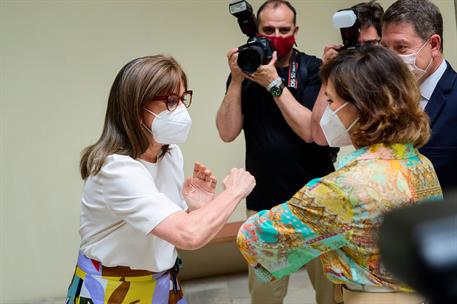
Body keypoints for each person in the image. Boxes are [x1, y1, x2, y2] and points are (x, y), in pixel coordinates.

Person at [237, 45, 443, 304]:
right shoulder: (419, 162)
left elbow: (257, 240)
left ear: (359, 106)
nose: (325, 113)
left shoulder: (344, 187)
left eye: (331, 101)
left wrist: (231, 194)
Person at [66, 55, 256, 304]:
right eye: (170, 101)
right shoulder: (116, 169)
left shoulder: (170, 153)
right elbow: (189, 235)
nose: (181, 111)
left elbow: (169, 228)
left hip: (162, 282)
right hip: (111, 287)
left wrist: (196, 209)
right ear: (136, 109)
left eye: (181, 99)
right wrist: (235, 191)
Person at [216, 1, 336, 303]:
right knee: (265, 296)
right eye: (269, 30)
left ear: (295, 32)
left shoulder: (311, 69)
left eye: (284, 30)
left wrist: (274, 84)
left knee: (331, 293)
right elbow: (227, 132)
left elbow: (311, 130)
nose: (277, 35)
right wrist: (237, 80)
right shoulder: (245, 71)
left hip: (316, 202)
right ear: (257, 32)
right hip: (265, 206)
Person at [381, 0, 457, 193]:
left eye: (401, 47)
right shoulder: (386, 98)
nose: (390, 60)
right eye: (385, 48)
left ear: (433, 44)